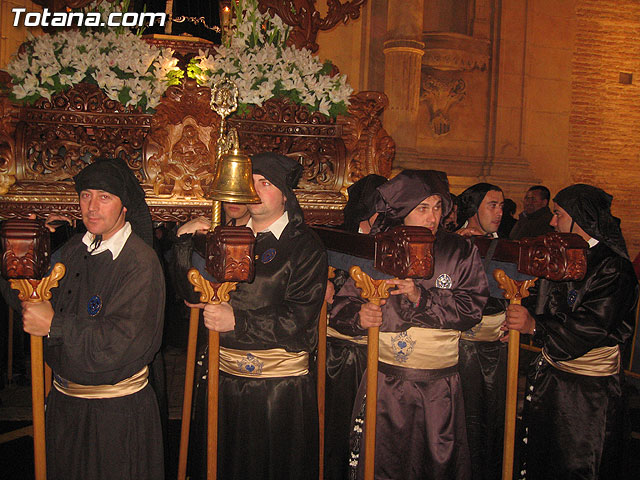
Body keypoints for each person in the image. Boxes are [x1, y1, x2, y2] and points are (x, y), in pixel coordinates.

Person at [0, 158, 165, 479]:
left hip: (115, 418)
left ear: (124, 206)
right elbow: (30, 299)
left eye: (104, 197)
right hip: (66, 407)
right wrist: (20, 253)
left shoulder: (140, 263)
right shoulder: (76, 248)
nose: (92, 207)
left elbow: (122, 344)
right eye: (86, 195)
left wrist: (54, 325)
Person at [171, 152, 328, 479]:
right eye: (250, 182)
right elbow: (190, 293)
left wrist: (237, 321)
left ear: (285, 195)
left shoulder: (305, 247)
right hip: (224, 379)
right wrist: (185, 244)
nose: (254, 190)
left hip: (277, 389)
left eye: (265, 183)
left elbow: (298, 318)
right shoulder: (225, 237)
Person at [330, 169, 489, 480]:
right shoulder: (378, 248)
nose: (432, 217)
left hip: (438, 385)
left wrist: (422, 297)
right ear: (403, 210)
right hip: (386, 383)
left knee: (437, 461)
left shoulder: (459, 251)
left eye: (437, 207)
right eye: (422, 208)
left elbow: (472, 308)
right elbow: (342, 307)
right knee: (383, 461)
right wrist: (358, 317)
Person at [504, 184, 638, 480]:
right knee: (545, 458)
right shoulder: (565, 254)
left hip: (587, 394)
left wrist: (534, 326)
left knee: (578, 463)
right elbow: (545, 301)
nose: (553, 222)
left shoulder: (613, 268)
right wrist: (516, 321)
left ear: (583, 219)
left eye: (558, 214)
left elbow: (591, 326)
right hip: (555, 381)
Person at [325, 173, 386, 480]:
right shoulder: (337, 238)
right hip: (340, 356)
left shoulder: (392, 241)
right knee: (338, 429)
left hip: (380, 353)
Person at [456, 183, 507, 480]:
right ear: (474, 208)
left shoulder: (508, 247)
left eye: (502, 206)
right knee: (463, 421)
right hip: (462, 352)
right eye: (492, 205)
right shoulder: (452, 243)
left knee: (492, 421)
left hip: (495, 352)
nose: (499, 212)